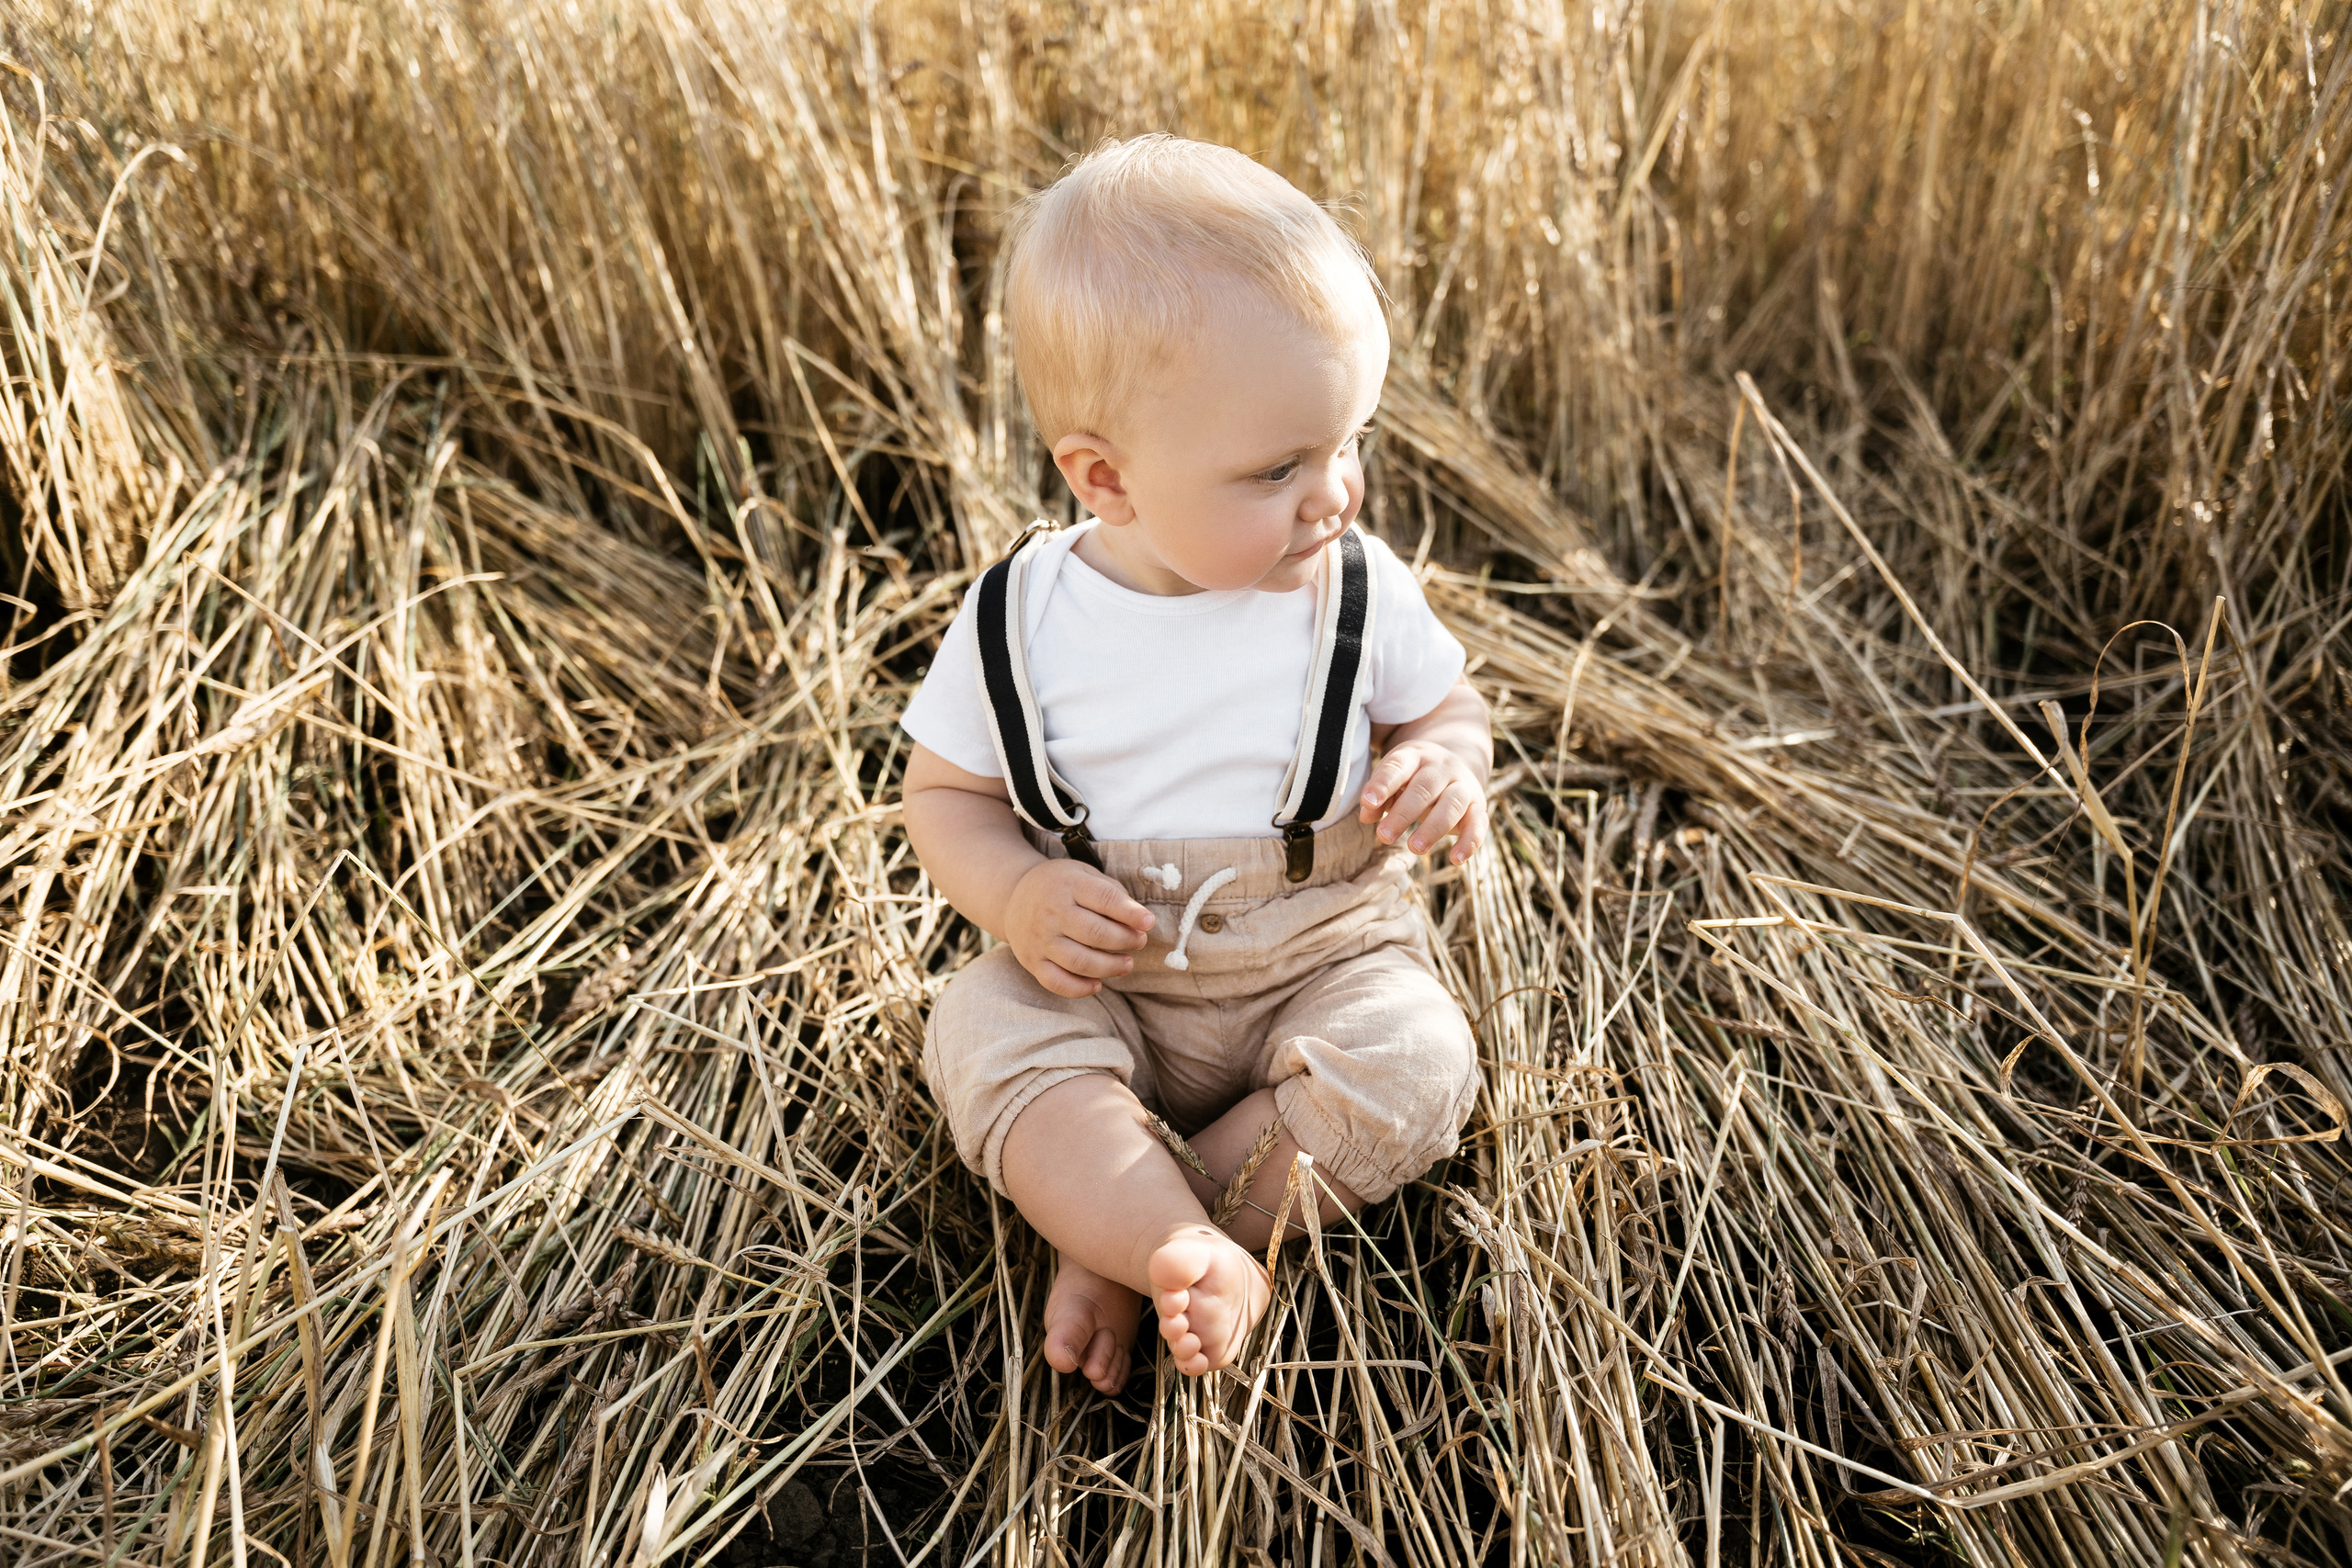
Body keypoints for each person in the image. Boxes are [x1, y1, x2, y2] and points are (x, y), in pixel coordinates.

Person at [899, 135, 1490, 1395]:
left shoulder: (1355, 593)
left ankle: (1140, 1232)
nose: (1334, 493)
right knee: (983, 1030)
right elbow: (944, 800)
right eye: (1278, 469)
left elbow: (1451, 708)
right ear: (1105, 477)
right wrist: (1013, 895)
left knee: (1416, 1059)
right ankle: (1161, 1229)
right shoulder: (1020, 623)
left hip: (1315, 960)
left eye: (1349, 440)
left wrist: (1443, 760)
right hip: (1108, 980)